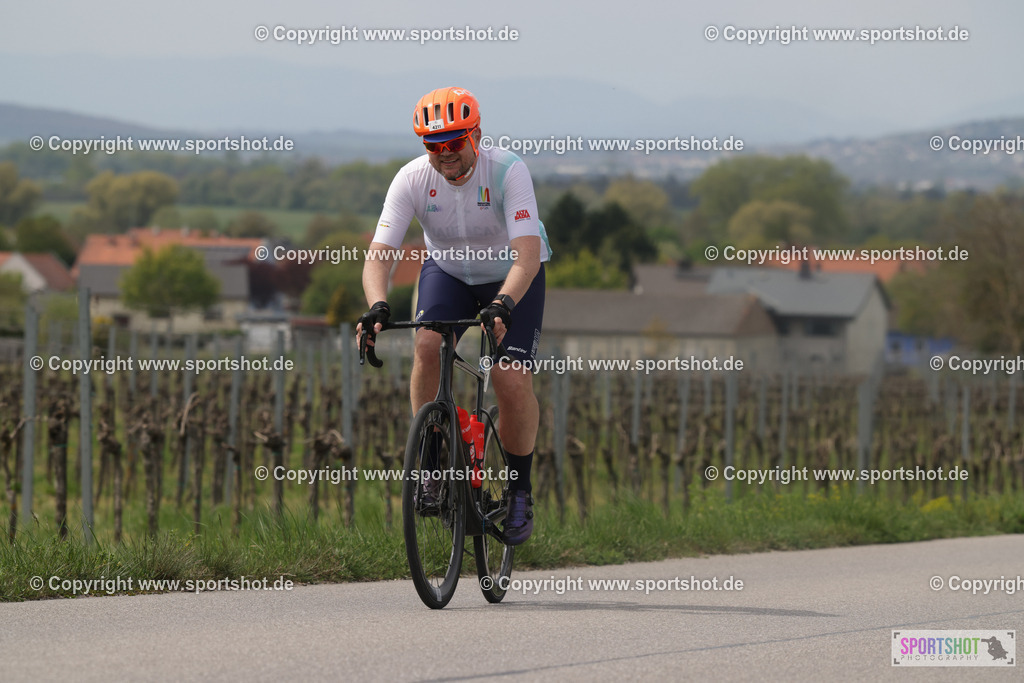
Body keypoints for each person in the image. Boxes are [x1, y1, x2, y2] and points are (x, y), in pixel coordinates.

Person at [357, 87, 551, 545]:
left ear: (476, 135)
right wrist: (377, 305)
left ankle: (520, 488)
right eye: (432, 145)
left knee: (509, 378)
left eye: (454, 143)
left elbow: (526, 257)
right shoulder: (410, 179)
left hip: (510, 276)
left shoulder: (508, 170)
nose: (444, 155)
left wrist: (503, 303)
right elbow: (378, 258)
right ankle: (432, 462)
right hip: (447, 272)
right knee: (426, 345)